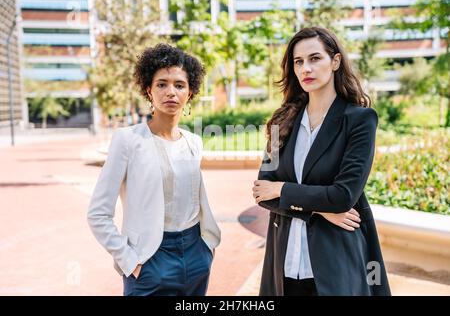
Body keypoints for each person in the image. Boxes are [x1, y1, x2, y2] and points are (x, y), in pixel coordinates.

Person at [252, 27, 391, 296]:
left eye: (315, 58)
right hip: (284, 265)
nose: (306, 68)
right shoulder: (281, 123)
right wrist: (316, 209)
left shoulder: (360, 120)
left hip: (334, 265)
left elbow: (343, 196)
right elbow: (261, 193)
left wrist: (283, 190)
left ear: (335, 62)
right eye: (298, 62)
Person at [87, 44, 221, 296]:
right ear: (148, 90)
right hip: (149, 260)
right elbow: (98, 213)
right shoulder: (127, 140)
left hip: (196, 254)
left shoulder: (194, 142)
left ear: (190, 92)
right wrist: (130, 261)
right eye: (162, 84)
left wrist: (206, 250)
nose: (171, 92)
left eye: (179, 85)